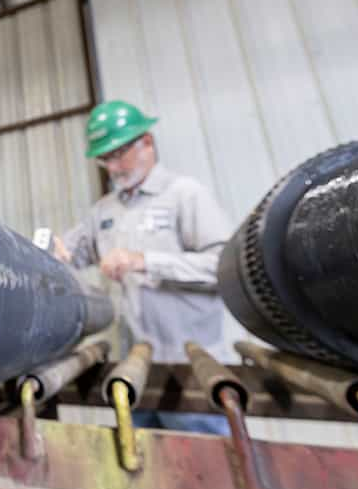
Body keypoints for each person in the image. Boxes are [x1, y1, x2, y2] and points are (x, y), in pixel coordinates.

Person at [54, 100, 232, 434]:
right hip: (134, 373)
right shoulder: (103, 212)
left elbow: (222, 269)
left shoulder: (185, 195)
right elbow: (69, 254)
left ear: (147, 142)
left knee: (204, 476)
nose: (113, 167)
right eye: (105, 158)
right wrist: (54, 252)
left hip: (192, 373)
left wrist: (144, 261)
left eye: (119, 153)